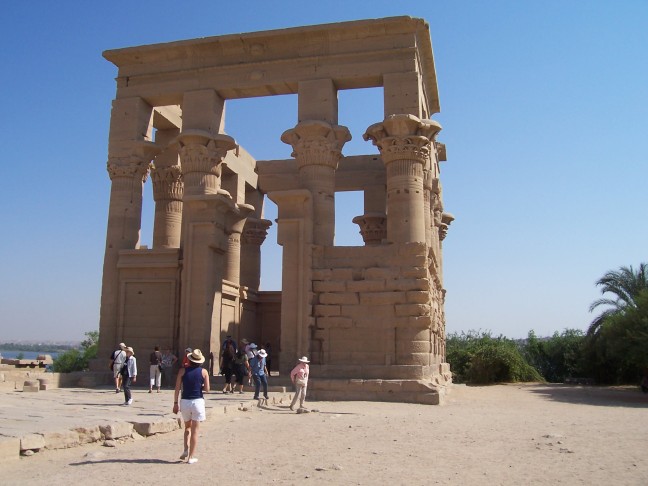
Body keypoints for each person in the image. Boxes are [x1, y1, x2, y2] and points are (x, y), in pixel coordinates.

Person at [173, 349, 210, 464]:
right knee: (195, 430)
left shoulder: (182, 371)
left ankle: (185, 449)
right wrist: (200, 386)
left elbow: (177, 388)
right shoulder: (204, 372)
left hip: (185, 401)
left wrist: (175, 403)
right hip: (197, 401)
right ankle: (191, 457)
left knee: (187, 428)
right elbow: (207, 390)